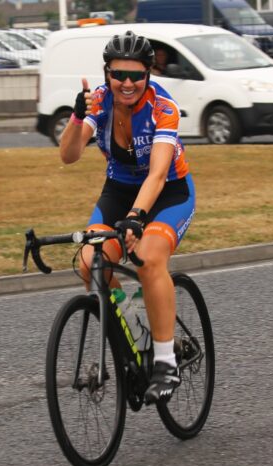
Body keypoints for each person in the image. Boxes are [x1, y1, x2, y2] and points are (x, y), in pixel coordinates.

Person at [59, 30, 195, 404]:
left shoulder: (162, 108)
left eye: (137, 75)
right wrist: (76, 116)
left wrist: (137, 218)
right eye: (120, 75)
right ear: (107, 74)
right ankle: (138, 331)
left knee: (150, 259)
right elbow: (68, 155)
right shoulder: (99, 103)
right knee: (92, 262)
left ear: (149, 76)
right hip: (118, 191)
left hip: (168, 191)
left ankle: (166, 361)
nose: (128, 83)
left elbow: (156, 173)